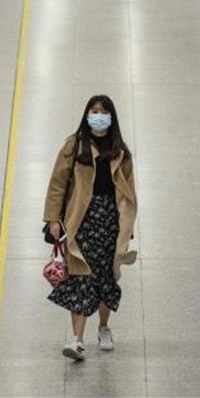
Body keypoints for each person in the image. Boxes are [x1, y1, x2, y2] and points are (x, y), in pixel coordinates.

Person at [44, 95, 138, 362]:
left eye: (103, 112)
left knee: (107, 275)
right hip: (81, 219)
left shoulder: (121, 151)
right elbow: (58, 184)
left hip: (111, 220)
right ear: (86, 115)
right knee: (81, 275)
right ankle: (77, 340)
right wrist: (53, 218)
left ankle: (104, 328)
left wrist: (128, 227)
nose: (98, 116)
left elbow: (130, 192)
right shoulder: (73, 146)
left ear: (112, 117)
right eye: (93, 111)